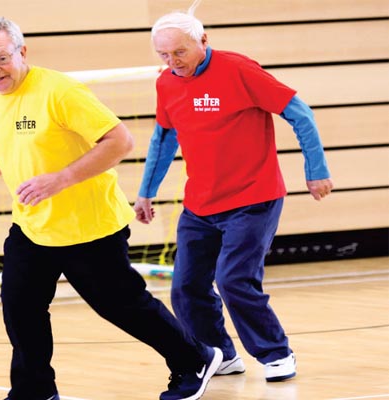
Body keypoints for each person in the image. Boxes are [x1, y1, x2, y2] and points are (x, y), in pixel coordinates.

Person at [0, 16, 222, 400]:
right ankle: (34, 391)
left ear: (22, 51)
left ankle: (195, 359)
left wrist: (62, 178)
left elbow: (120, 141)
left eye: (0, 59)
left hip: (90, 225)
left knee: (122, 306)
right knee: (20, 307)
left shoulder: (59, 91)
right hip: (33, 225)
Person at [134, 3, 333, 383]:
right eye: (163, 54)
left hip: (253, 198)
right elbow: (163, 138)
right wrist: (146, 192)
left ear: (203, 40)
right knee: (187, 286)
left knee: (233, 279)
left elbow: (300, 113)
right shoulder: (166, 82)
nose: (173, 61)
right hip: (200, 205)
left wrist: (316, 170)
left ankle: (276, 353)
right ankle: (220, 355)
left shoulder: (239, 69)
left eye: (180, 51)